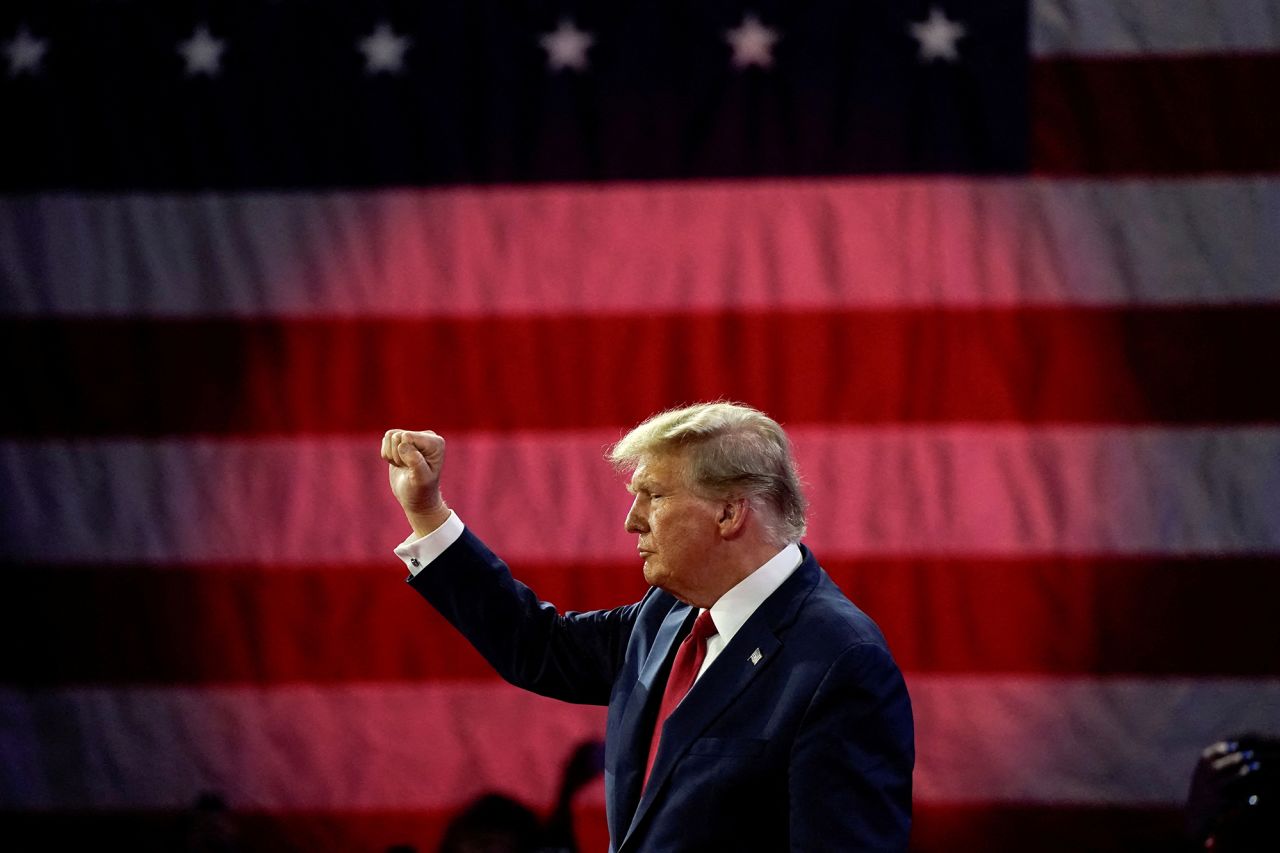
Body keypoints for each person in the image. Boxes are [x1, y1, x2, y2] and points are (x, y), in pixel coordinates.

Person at [383, 402, 914, 852]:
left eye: (654, 497)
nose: (631, 520)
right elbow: (539, 646)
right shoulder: (668, 611)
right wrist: (428, 514)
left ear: (729, 513)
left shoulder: (842, 662)